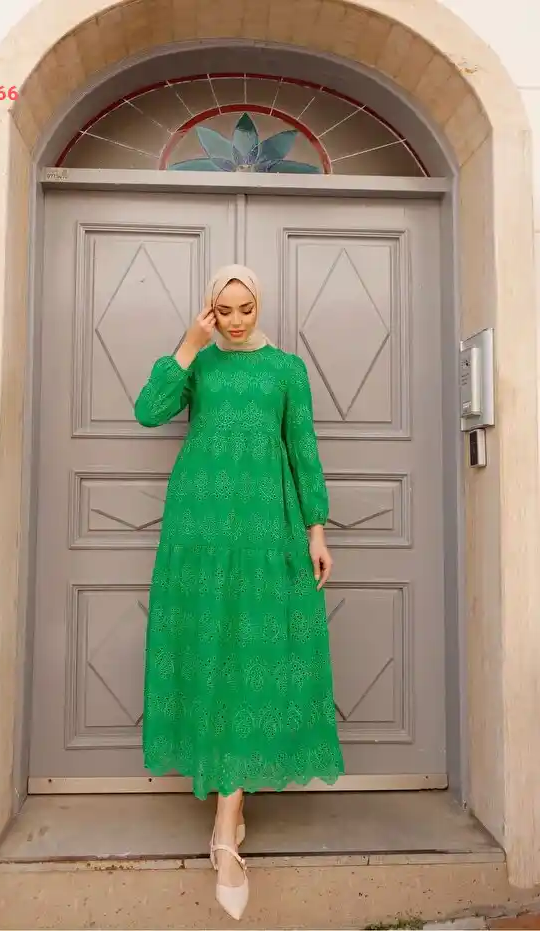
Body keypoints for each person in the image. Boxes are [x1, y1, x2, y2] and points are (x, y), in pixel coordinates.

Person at [134, 265, 344, 920]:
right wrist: (188, 345)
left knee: (254, 662)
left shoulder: (286, 370)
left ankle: (227, 825)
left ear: (259, 306)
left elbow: (303, 447)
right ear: (209, 309)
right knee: (212, 658)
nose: (233, 320)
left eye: (244, 309)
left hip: (264, 530)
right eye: (222, 310)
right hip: (199, 531)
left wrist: (315, 529)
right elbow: (147, 412)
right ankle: (227, 812)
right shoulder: (198, 362)